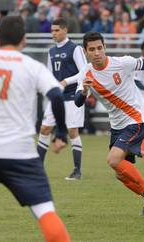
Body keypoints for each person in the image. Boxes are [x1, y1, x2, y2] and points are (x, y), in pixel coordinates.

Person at [74, 31, 144, 215]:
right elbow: (77, 102)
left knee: (113, 160)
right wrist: (84, 91)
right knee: (120, 173)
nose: (97, 53)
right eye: (92, 49)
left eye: (100, 48)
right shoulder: (85, 73)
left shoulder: (121, 63)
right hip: (117, 125)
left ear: (105, 47)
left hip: (135, 118)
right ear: (85, 52)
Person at [0, 15, 70, 241]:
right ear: (24, 39)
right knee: (46, 212)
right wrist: (61, 133)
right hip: (22, 154)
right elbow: (56, 94)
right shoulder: (32, 66)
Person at [37, 18, 87, 180]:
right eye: (52, 31)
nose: (54, 34)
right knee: (44, 129)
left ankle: (77, 171)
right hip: (57, 98)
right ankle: (37, 170)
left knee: (72, 131)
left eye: (57, 30)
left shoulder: (75, 48)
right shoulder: (51, 51)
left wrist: (66, 81)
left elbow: (83, 72)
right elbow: (50, 75)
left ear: (65, 31)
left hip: (73, 96)